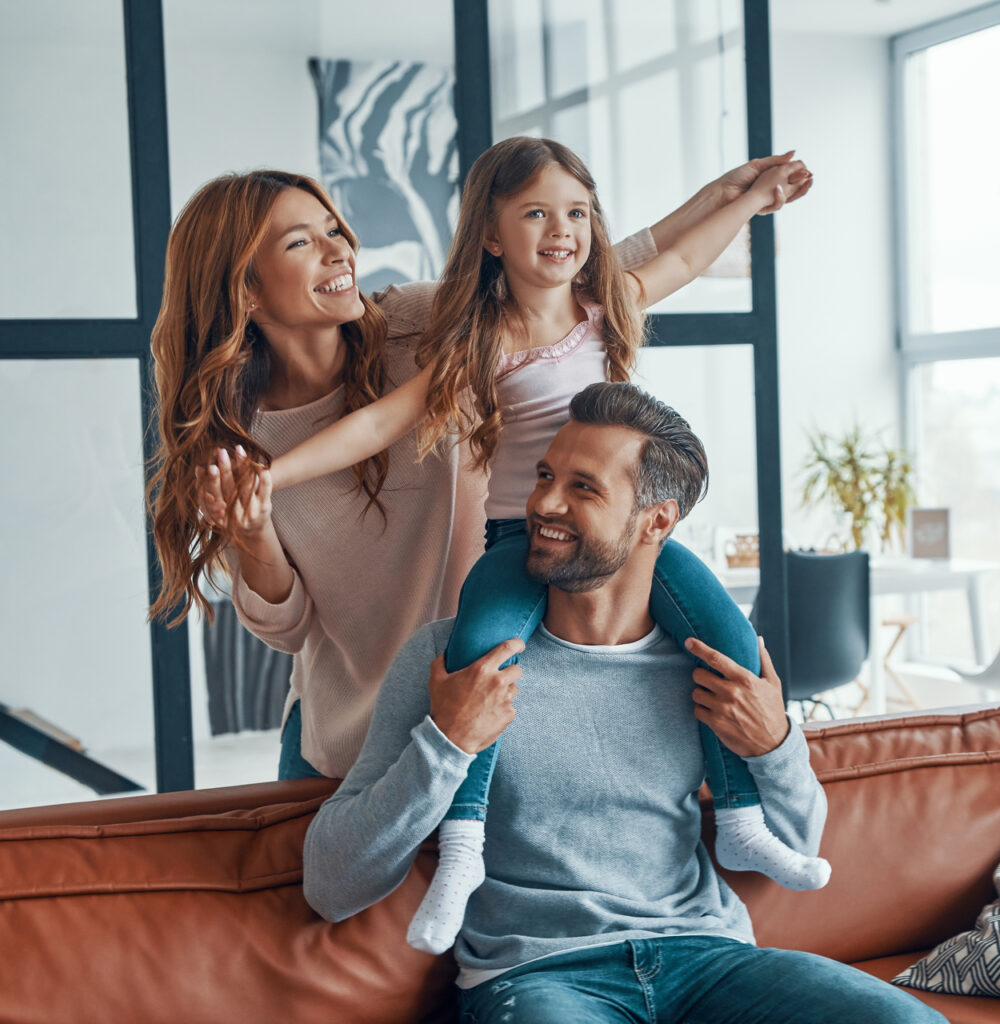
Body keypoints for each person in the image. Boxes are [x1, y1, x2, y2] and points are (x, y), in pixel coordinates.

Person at [214, 138, 823, 952]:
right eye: (533, 214)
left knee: (731, 646)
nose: (337, 251)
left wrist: (737, 199)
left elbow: (642, 256)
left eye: (576, 213)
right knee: (468, 687)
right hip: (432, 632)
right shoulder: (468, 340)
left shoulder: (524, 310)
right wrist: (269, 481)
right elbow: (376, 428)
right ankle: (464, 852)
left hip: (558, 607)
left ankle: (742, 817)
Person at [301, 383, 946, 1024]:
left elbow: (796, 843)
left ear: (657, 520)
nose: (544, 503)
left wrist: (774, 744)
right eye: (546, 475)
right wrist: (446, 745)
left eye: (584, 488)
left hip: (708, 958)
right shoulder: (451, 661)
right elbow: (332, 884)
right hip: (538, 974)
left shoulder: (709, 666)